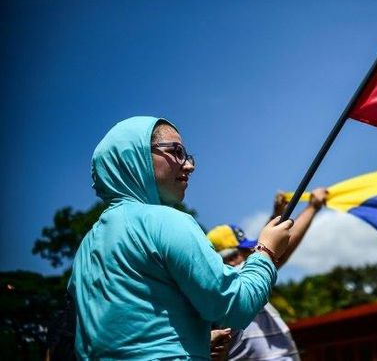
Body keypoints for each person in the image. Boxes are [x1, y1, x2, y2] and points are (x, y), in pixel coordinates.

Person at [68, 116, 293, 360]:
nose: (189, 165)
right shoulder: (166, 221)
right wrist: (266, 252)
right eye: (176, 152)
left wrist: (195, 341)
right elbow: (234, 306)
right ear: (136, 157)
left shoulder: (86, 247)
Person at [207, 188, 328, 361]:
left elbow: (266, 248)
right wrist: (312, 207)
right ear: (231, 257)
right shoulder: (234, 278)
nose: (252, 254)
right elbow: (274, 251)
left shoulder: (219, 288)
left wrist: (277, 215)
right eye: (245, 251)